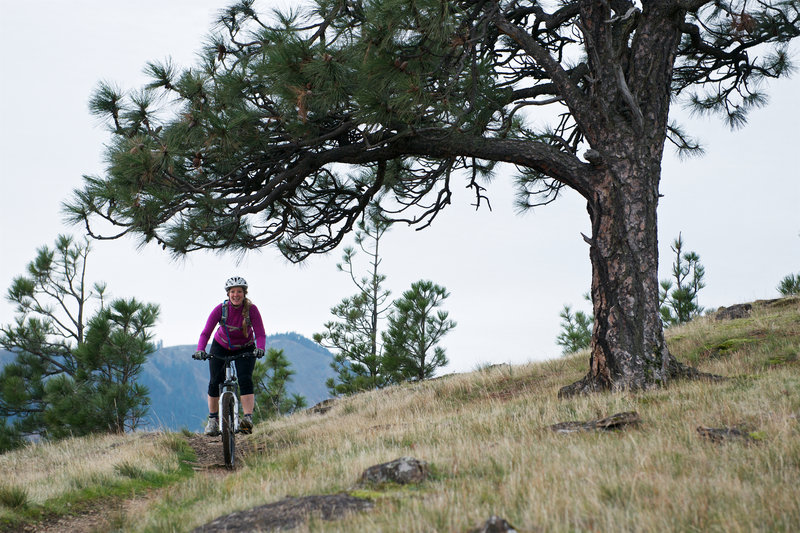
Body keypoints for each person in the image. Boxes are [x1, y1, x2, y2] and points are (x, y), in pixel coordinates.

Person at [193, 276, 266, 436]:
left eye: (239, 291)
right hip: (221, 346)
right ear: (228, 294)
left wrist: (260, 348)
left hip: (245, 348)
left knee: (245, 379)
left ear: (244, 293)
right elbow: (205, 333)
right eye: (232, 292)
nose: (236, 295)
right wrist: (200, 349)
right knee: (214, 382)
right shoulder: (221, 309)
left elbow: (260, 334)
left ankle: (247, 419)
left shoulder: (251, 310)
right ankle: (213, 421)